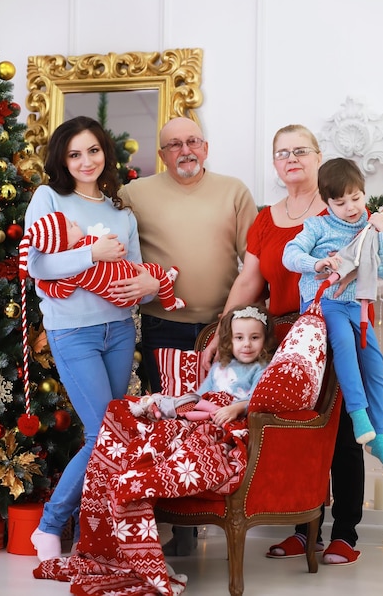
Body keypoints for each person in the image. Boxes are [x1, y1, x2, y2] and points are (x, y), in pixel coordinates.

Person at [203, 124, 366, 565]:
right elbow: (249, 280)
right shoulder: (264, 218)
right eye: (282, 153)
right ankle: (303, 527)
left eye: (300, 150)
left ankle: (346, 534)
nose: (291, 159)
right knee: (290, 431)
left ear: (317, 157)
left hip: (333, 330)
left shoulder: (340, 210)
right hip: (284, 338)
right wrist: (221, 334)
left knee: (343, 434)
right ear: (275, 164)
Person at [32, 303, 275, 595]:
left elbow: (259, 399)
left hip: (223, 426)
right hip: (201, 416)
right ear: (229, 339)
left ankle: (130, 501)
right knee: (122, 422)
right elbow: (200, 395)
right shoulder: (222, 366)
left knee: (138, 454)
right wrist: (175, 404)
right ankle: (98, 538)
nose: (246, 344)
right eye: (239, 337)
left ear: (264, 341)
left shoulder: (263, 369)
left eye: (254, 338)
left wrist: (236, 407)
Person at [112, 116, 258, 556]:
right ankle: (178, 530)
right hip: (164, 326)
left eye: (192, 141)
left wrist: (237, 324)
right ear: (161, 154)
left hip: (224, 327)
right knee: (171, 424)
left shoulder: (234, 191)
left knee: (222, 421)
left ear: (206, 147)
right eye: (174, 144)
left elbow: (253, 262)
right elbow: (114, 250)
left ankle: (217, 514)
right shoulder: (134, 195)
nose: (185, 150)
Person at [25, 116, 159, 562]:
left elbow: (137, 268)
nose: (86, 161)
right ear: (63, 159)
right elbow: (37, 266)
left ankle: (93, 534)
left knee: (107, 434)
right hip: (73, 331)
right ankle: (49, 526)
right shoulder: (49, 197)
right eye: (75, 154)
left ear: (106, 152)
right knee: (104, 433)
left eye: (94, 150)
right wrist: (90, 253)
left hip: (120, 329)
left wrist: (149, 285)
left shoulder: (120, 210)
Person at [283, 158, 383, 470]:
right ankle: (359, 417)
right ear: (326, 202)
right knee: (346, 347)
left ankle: (378, 436)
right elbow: (289, 254)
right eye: (340, 201)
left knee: (375, 363)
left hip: (356, 305)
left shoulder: (370, 227)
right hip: (325, 303)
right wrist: (317, 264)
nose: (350, 207)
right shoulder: (318, 226)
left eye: (356, 198)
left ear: (364, 192)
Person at [19, 211, 185, 311]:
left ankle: (163, 284)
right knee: (156, 270)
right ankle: (169, 302)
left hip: (123, 297)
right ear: (65, 243)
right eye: (71, 226)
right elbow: (118, 249)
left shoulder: (68, 275)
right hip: (128, 285)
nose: (76, 223)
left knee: (154, 275)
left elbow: (61, 291)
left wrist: (42, 283)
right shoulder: (85, 249)